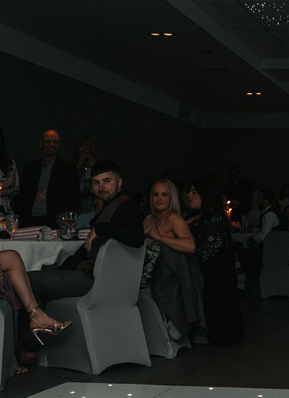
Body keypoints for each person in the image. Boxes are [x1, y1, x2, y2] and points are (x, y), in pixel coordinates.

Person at [22, 161, 143, 362]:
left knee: (25, 280)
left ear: (119, 183)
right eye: (96, 183)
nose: (101, 187)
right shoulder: (108, 210)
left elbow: (137, 238)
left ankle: (29, 348)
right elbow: (82, 253)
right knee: (40, 275)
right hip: (95, 277)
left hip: (94, 280)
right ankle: (36, 345)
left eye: (106, 181)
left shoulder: (126, 207)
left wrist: (100, 229)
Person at [183, 179, 244, 347]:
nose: (189, 195)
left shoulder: (214, 219)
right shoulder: (189, 215)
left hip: (213, 274)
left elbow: (205, 253)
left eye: (194, 192)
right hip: (199, 269)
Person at [141, 179, 203, 340]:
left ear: (171, 198)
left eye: (164, 194)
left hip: (163, 273)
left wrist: (160, 237)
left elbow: (190, 246)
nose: (159, 198)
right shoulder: (149, 219)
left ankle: (175, 318)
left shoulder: (174, 218)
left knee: (167, 256)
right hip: (143, 267)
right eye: (155, 194)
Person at [16, 129, 80, 228]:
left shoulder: (68, 169)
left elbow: (74, 198)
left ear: (59, 145)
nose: (51, 144)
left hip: (56, 223)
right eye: (48, 141)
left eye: (55, 142)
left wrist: (63, 219)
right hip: (29, 222)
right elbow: (21, 195)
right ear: (41, 144)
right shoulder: (30, 168)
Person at [73, 135, 95, 215]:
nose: (85, 150)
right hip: (75, 205)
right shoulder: (71, 167)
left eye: (87, 147)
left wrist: (91, 167)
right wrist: (79, 164)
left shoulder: (95, 168)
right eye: (82, 147)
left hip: (89, 205)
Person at [0, 128, 20, 215]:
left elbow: (15, 188)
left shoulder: (8, 161)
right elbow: (8, 185)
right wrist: (2, 185)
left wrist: (1, 191)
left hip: (6, 213)